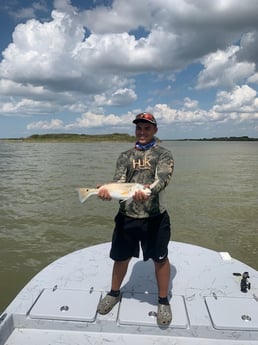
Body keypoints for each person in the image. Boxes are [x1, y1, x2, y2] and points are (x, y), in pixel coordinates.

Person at [97, 112, 174, 326]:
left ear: (155, 130)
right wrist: (108, 192)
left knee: (160, 259)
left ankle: (162, 300)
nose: (142, 132)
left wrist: (147, 191)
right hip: (126, 217)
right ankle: (113, 293)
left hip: (155, 217)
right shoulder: (125, 156)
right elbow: (119, 181)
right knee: (120, 257)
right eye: (139, 128)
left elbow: (163, 180)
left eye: (147, 128)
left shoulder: (164, 154)